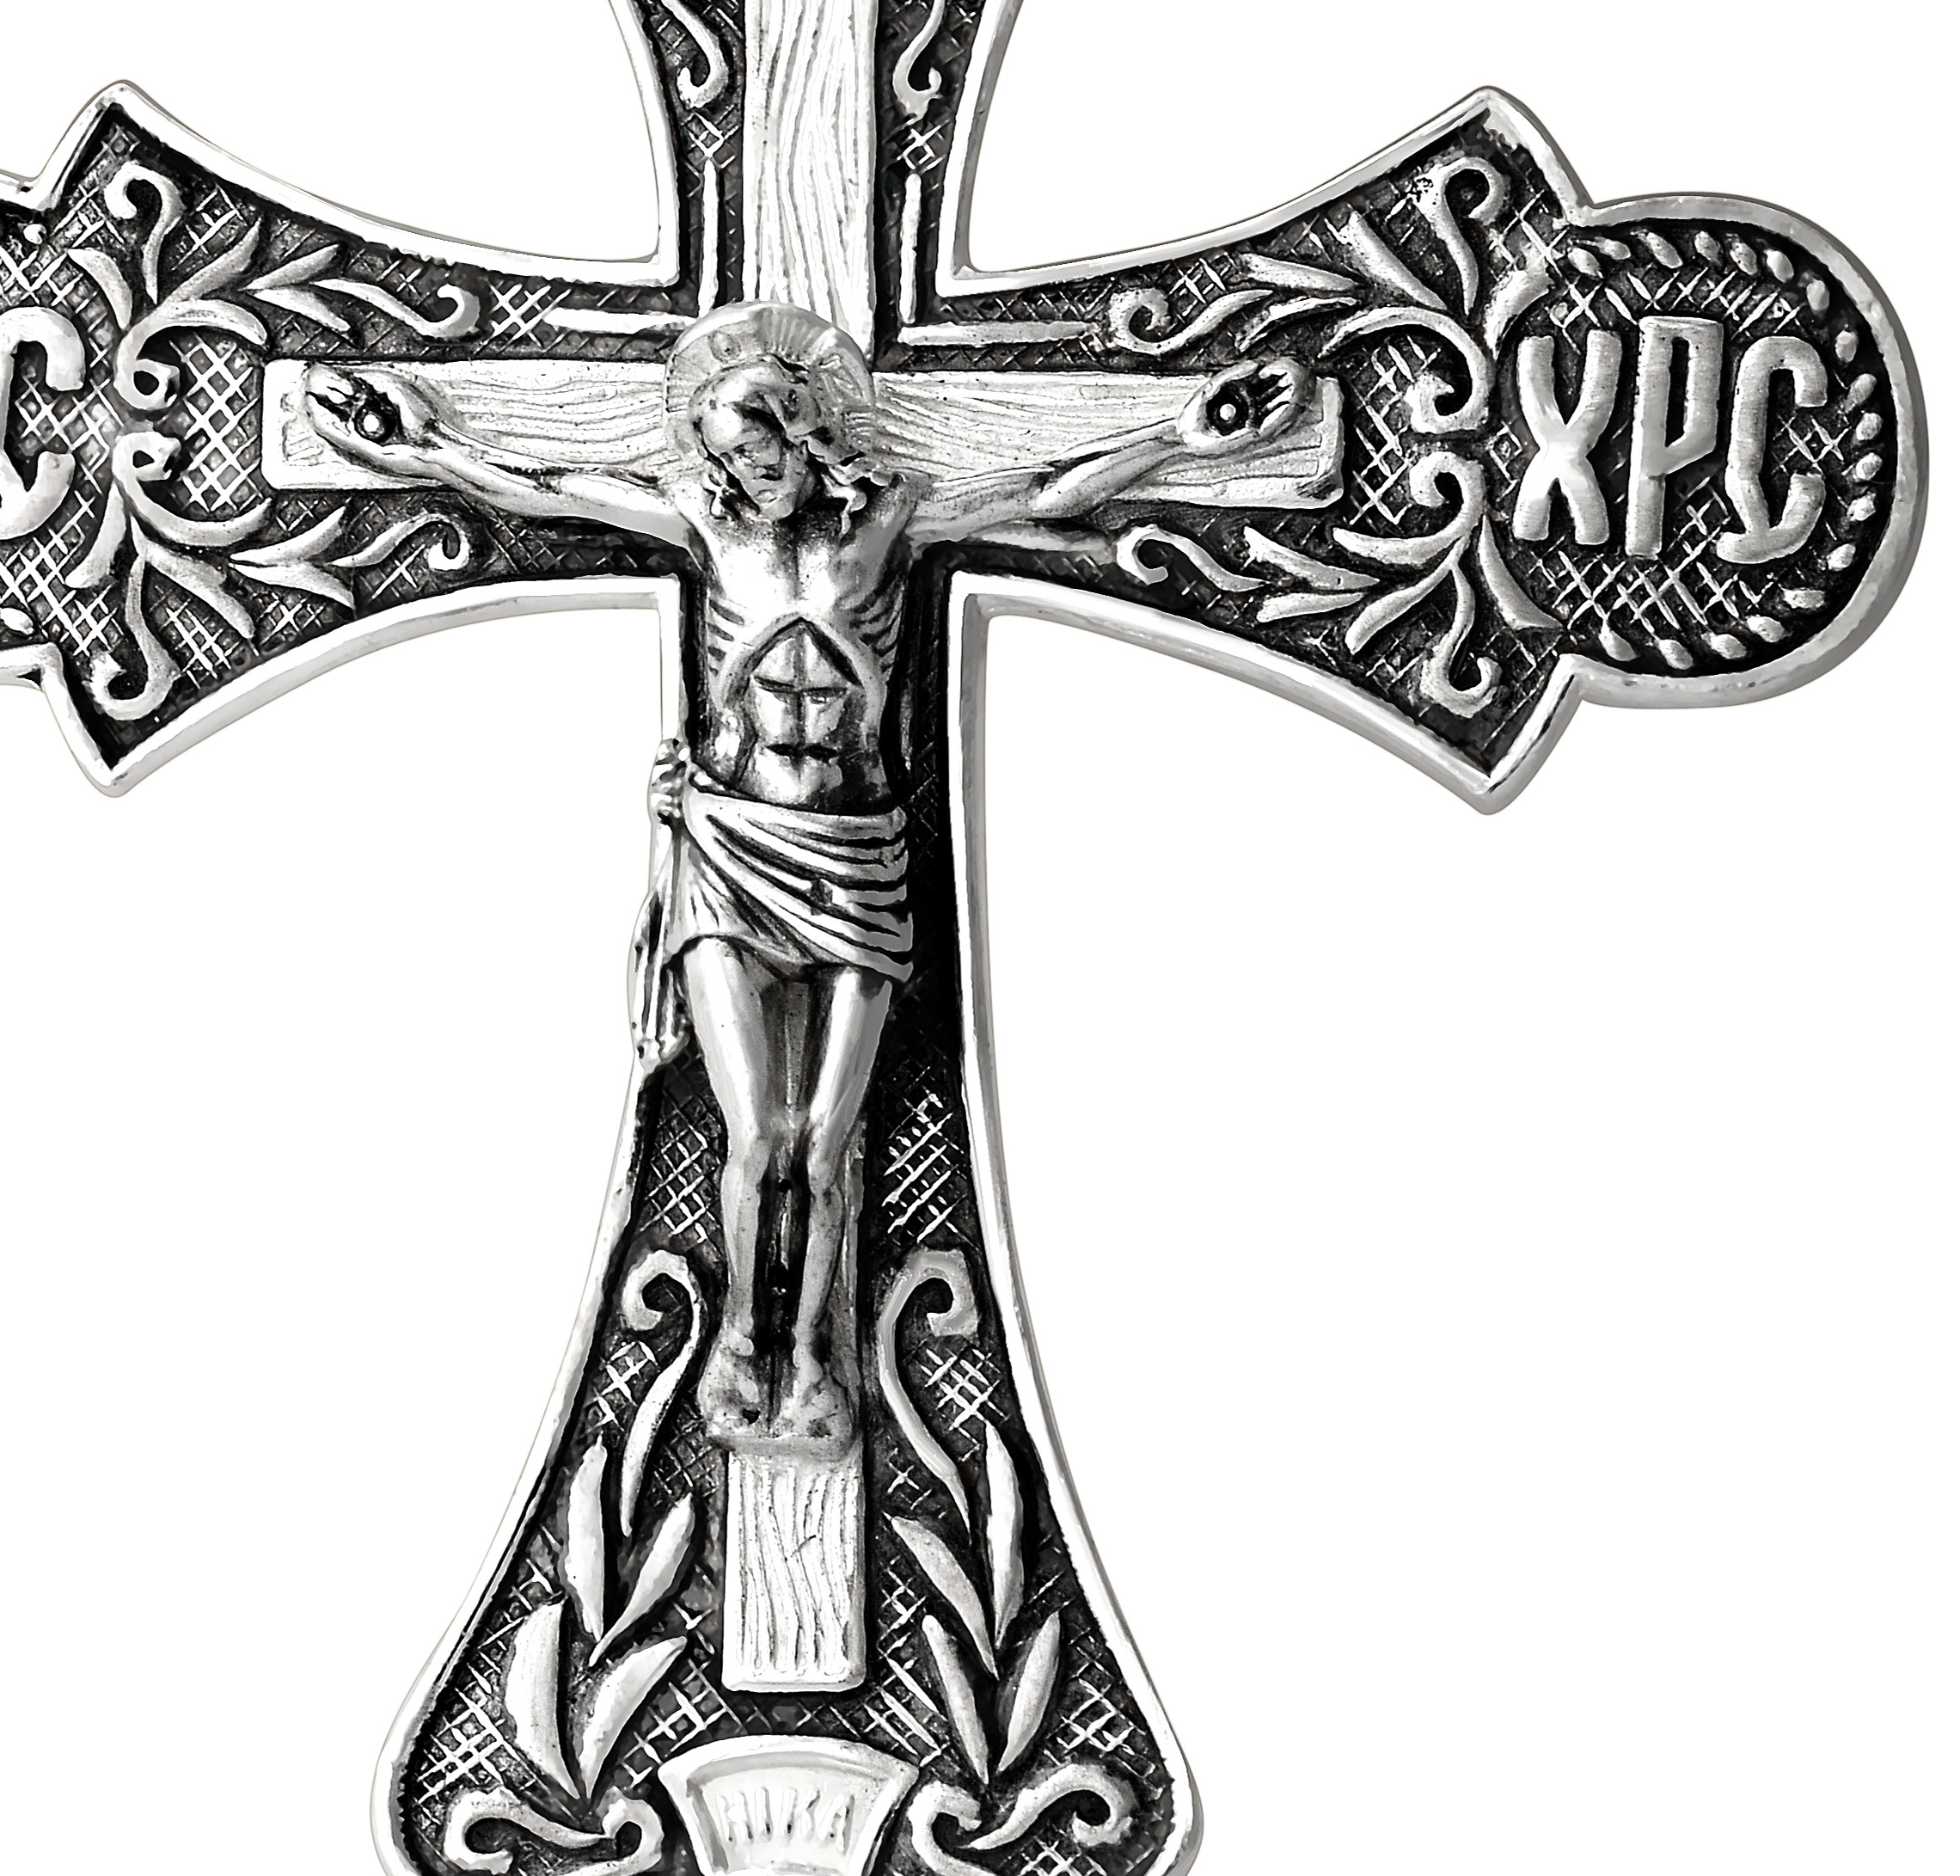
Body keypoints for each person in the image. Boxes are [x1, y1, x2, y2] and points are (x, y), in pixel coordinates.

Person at [306, 308, 1302, 1450]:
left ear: (807, 431)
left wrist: (1181, 435)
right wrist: (423, 446)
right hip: (729, 848)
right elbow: (549, 492)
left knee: (822, 1144)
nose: (746, 475)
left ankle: (817, 1351)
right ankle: (741, 1334)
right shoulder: (704, 522)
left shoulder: (885, 523)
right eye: (725, 457)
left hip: (856, 855)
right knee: (758, 1134)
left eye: (761, 449)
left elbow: (1043, 492)